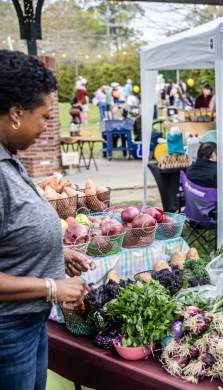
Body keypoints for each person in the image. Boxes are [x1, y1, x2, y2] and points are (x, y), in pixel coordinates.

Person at [0, 50, 93, 390]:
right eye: (43, 116)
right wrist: (52, 286)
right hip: (7, 334)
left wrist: (55, 255)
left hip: (26, 324)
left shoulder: (8, 156)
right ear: (15, 113)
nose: (47, 127)